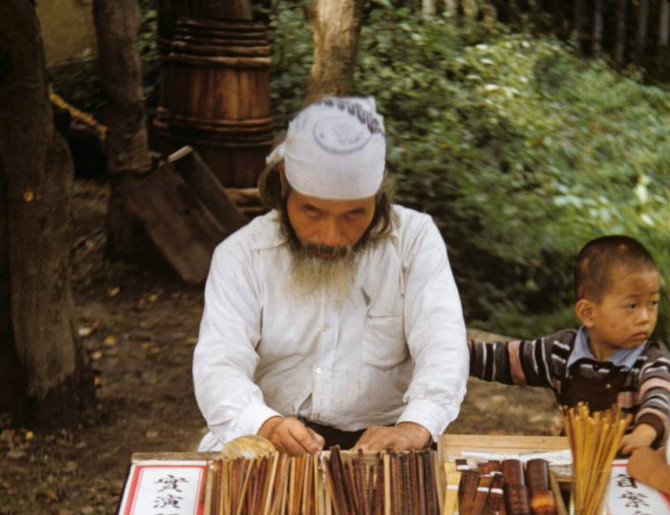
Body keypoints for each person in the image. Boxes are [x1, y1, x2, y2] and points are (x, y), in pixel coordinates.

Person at [193, 96, 468, 454]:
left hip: (386, 445)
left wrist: (415, 427)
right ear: (284, 184)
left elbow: (443, 346)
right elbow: (219, 363)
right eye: (312, 211)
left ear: (377, 196)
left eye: (354, 214)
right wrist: (266, 423)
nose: (330, 237)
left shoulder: (414, 241)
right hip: (271, 439)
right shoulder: (241, 255)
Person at [469, 236, 670, 454]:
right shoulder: (561, 351)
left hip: (629, 474)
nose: (645, 317)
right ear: (588, 313)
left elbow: (660, 395)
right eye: (631, 305)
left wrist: (645, 432)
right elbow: (506, 359)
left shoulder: (652, 359)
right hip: (572, 464)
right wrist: (456, 354)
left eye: (653, 303)